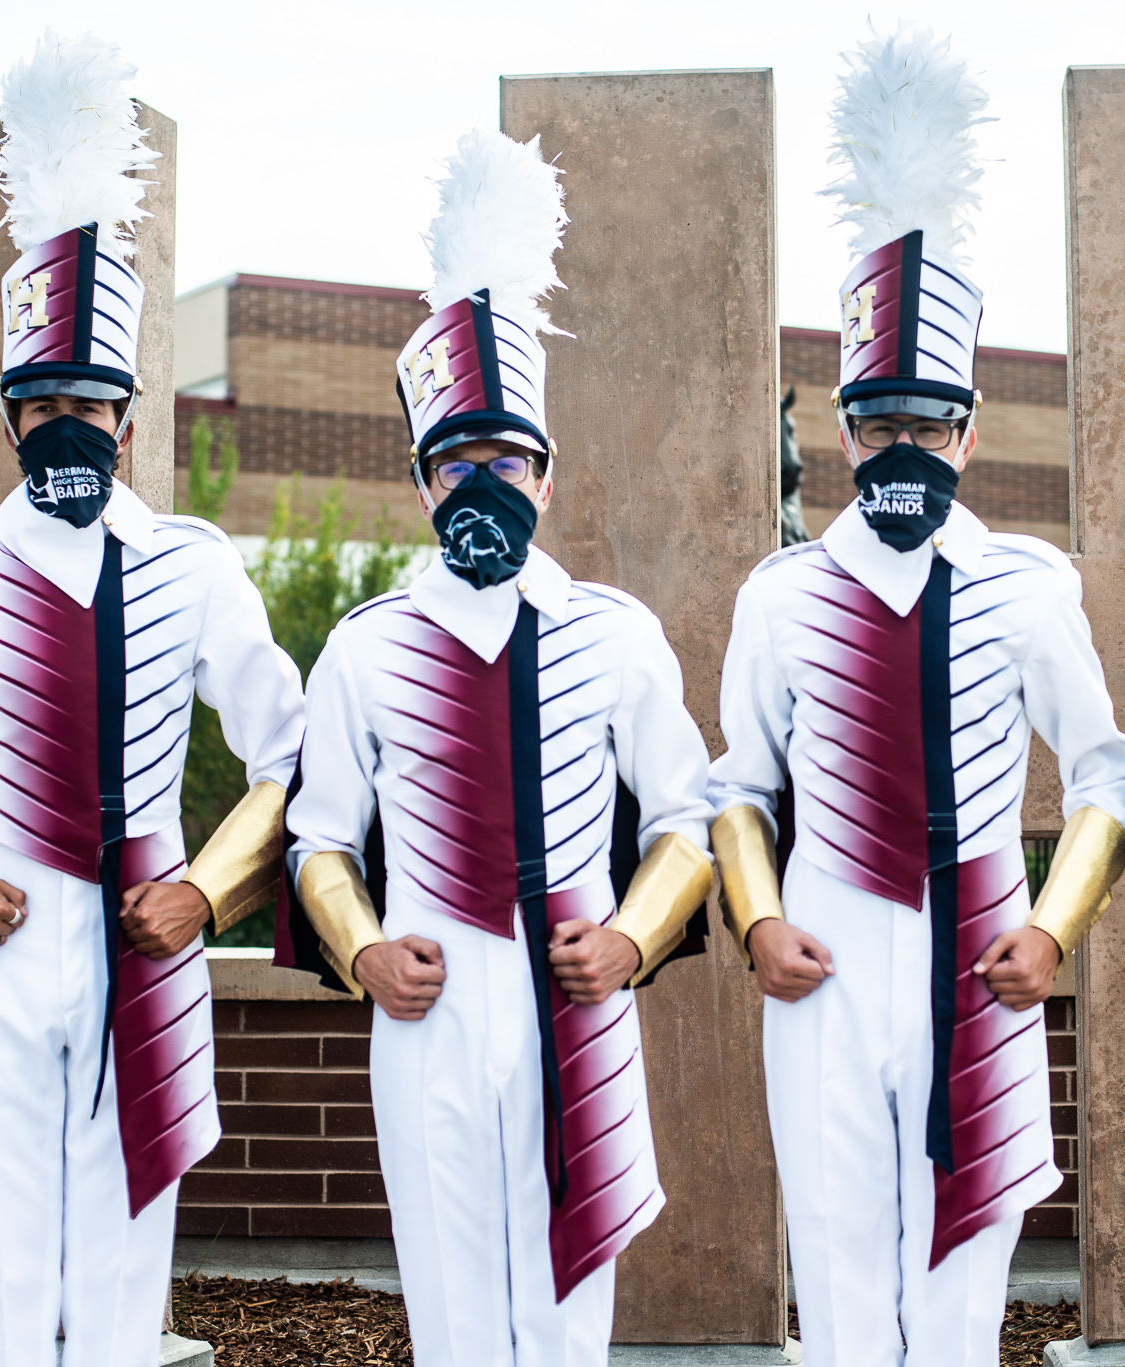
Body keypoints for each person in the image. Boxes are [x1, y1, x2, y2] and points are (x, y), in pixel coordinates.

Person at [0, 33, 305, 1367]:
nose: (71, 422)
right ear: (7, 411)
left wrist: (211, 885)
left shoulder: (196, 565)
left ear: (131, 414)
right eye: (45, 400)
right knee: (5, 1253)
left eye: (94, 397)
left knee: (131, 1257)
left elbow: (297, 756)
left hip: (151, 943)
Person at [704, 28, 1125, 1367]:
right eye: (880, 420)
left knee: (964, 1285)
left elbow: (1109, 770)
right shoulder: (777, 593)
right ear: (846, 429)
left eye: (931, 421)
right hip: (826, 953)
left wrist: (1057, 925)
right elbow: (736, 786)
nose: (906, 444)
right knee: (839, 1278)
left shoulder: (1028, 584)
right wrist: (759, 916)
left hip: (985, 955)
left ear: (971, 430)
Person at [278, 128, 715, 1367]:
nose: (483, 480)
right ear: (421, 479)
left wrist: (632, 934)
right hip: (426, 1011)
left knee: (571, 1309)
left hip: (578, 997)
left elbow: (683, 814)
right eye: (455, 460)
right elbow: (318, 833)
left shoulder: (617, 635)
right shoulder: (364, 646)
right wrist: (361, 947)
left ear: (545, 469)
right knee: (453, 1304)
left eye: (506, 457)